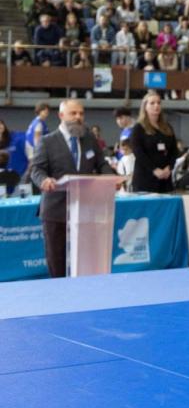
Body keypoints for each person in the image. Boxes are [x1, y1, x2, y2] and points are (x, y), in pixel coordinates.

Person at [28, 99, 114, 278]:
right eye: (73, 113)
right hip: (55, 209)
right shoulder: (47, 141)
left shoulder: (90, 139)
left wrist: (110, 177)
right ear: (61, 116)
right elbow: (36, 169)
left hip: (85, 208)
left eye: (81, 113)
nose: (78, 117)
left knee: (84, 259)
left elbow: (102, 164)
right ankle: (59, 296)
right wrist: (44, 180)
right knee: (56, 258)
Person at [129, 91, 179, 193]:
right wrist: (154, 170)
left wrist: (169, 167)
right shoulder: (138, 128)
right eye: (152, 103)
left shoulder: (167, 127)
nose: (156, 105)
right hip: (145, 179)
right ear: (145, 107)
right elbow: (138, 152)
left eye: (158, 103)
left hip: (165, 179)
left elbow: (174, 150)